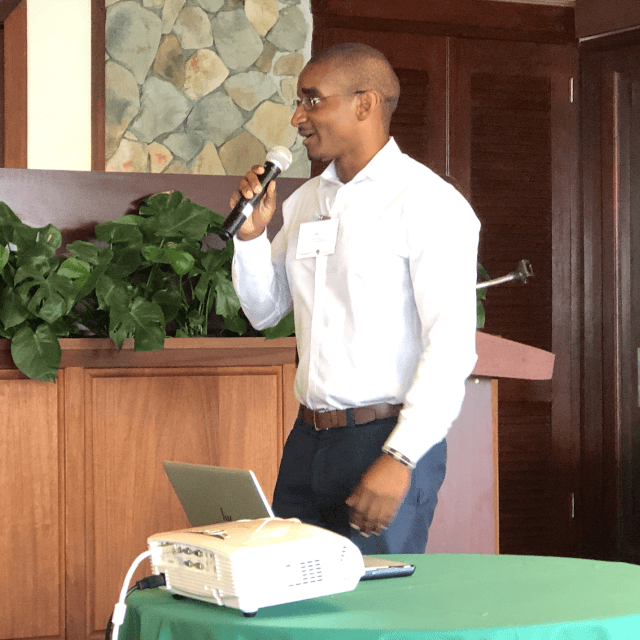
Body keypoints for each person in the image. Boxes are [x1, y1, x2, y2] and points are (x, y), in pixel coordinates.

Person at [229, 43, 480, 554]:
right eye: (299, 102)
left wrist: (401, 457)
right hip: (307, 441)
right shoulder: (304, 202)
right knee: (297, 608)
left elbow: (450, 347)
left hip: (383, 441)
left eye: (312, 100)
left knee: (376, 614)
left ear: (364, 104)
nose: (298, 117)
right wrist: (251, 238)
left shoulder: (427, 203)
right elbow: (263, 310)